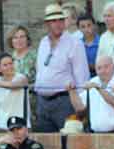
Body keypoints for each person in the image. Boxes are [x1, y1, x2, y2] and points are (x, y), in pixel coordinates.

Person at [34, 3, 90, 133]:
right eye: (53, 21)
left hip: (65, 101)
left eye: (61, 20)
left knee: (69, 144)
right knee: (46, 143)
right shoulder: (43, 42)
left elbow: (82, 76)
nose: (58, 24)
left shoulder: (75, 43)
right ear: (47, 24)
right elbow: (40, 70)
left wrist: (81, 107)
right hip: (42, 101)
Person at [68, 54, 114, 132]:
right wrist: (72, 91)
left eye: (106, 67)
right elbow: (80, 108)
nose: (103, 71)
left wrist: (98, 88)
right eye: (99, 68)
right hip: (98, 135)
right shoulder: (94, 81)